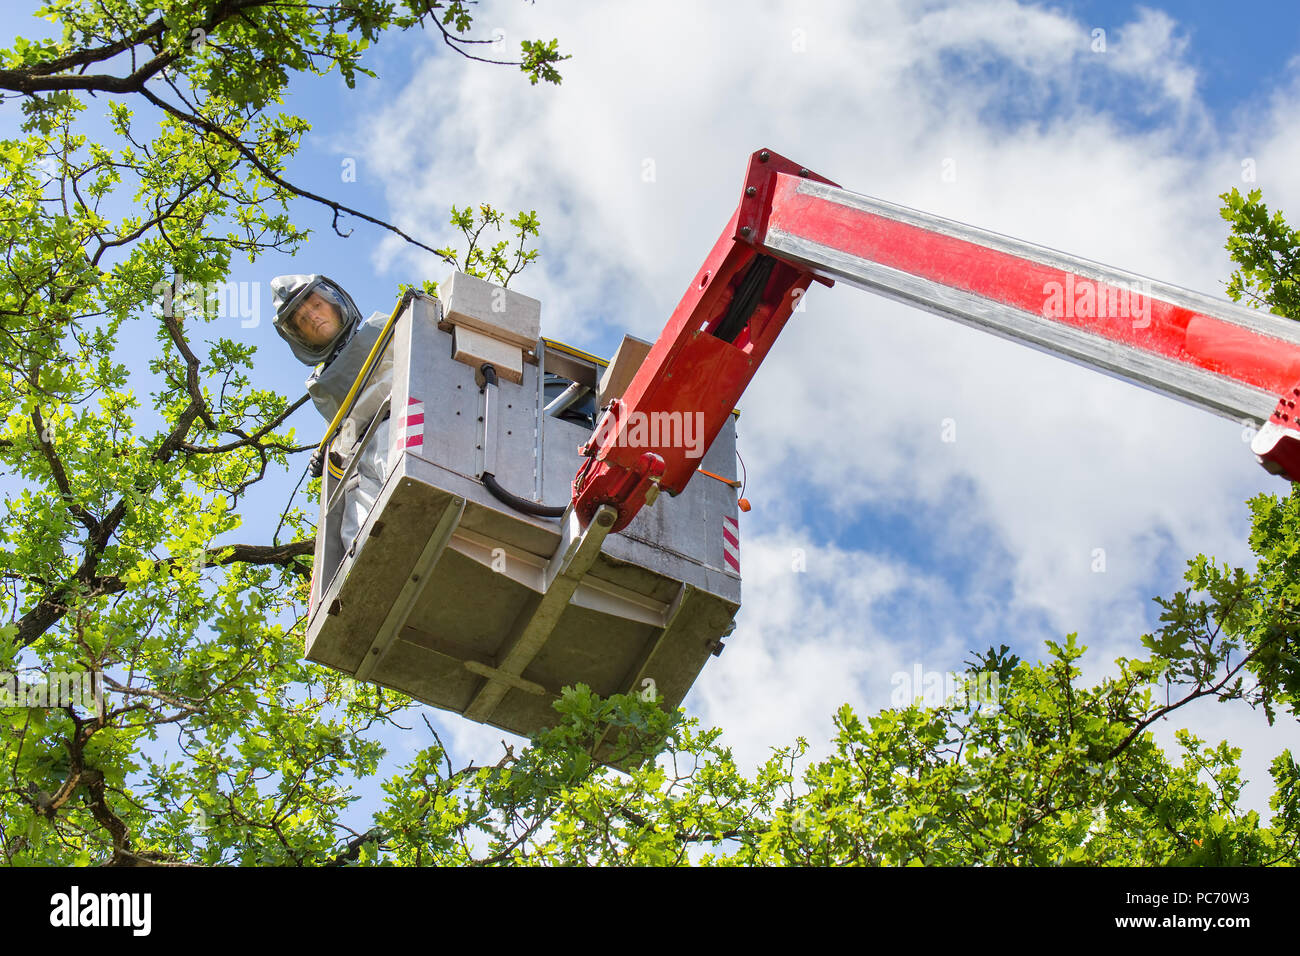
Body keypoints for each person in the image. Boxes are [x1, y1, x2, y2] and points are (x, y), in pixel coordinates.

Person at [272, 275, 394, 554]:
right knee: (356, 537)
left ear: (335, 304)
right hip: (361, 457)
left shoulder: (385, 328)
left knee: (402, 480)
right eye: (303, 319)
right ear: (298, 336)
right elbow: (344, 432)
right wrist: (327, 457)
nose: (313, 317)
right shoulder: (322, 385)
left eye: (317, 306)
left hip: (398, 422)